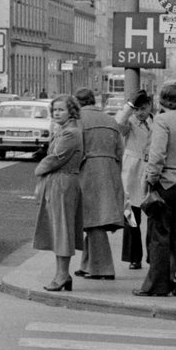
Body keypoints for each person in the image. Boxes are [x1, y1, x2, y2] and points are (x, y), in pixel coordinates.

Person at [134, 83, 176, 298]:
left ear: (162, 101)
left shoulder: (162, 121)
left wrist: (151, 179)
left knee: (159, 234)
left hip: (166, 183)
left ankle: (157, 285)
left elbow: (157, 155)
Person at [32, 93, 84, 292]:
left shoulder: (70, 133)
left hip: (63, 182)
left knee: (62, 230)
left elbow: (55, 158)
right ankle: (62, 274)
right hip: (59, 181)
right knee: (58, 229)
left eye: (61, 109)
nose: (57, 113)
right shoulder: (64, 130)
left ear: (71, 111)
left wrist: (39, 170)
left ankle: (62, 275)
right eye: (54, 110)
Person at [72, 87, 125, 280]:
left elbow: (75, 150)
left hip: (88, 172)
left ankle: (102, 268)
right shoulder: (110, 120)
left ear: (77, 103)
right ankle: (87, 264)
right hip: (109, 171)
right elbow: (120, 151)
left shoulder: (77, 121)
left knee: (93, 221)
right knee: (95, 219)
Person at [116, 89, 154, 270]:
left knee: (153, 213)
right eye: (137, 109)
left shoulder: (156, 121)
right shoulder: (129, 122)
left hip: (149, 169)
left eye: (144, 108)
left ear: (150, 107)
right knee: (131, 214)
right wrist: (129, 106)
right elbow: (118, 123)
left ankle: (153, 255)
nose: (140, 112)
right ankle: (134, 256)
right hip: (131, 169)